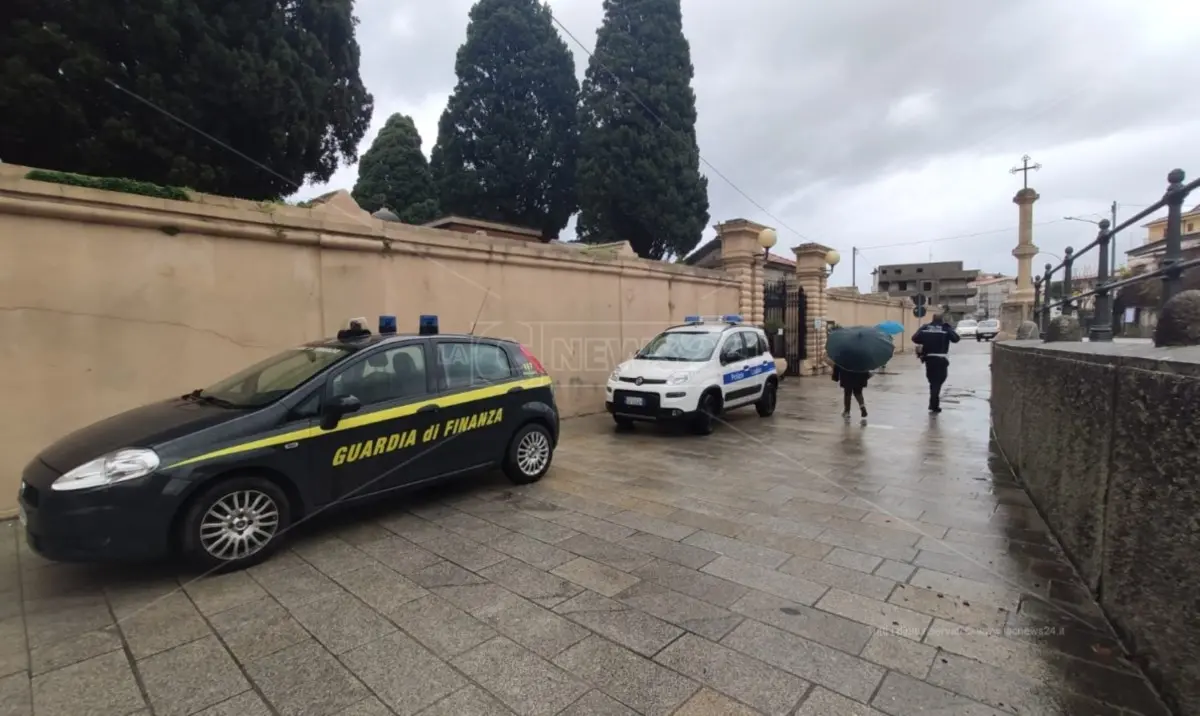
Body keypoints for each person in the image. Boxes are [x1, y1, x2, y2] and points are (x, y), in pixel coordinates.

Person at [912, 312, 960, 413]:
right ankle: (934, 405)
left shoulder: (926, 328)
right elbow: (956, 339)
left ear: (932, 319)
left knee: (932, 382)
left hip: (929, 359)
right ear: (942, 319)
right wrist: (948, 328)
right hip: (941, 359)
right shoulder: (945, 328)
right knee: (938, 382)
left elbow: (914, 338)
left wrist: (924, 332)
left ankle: (933, 403)